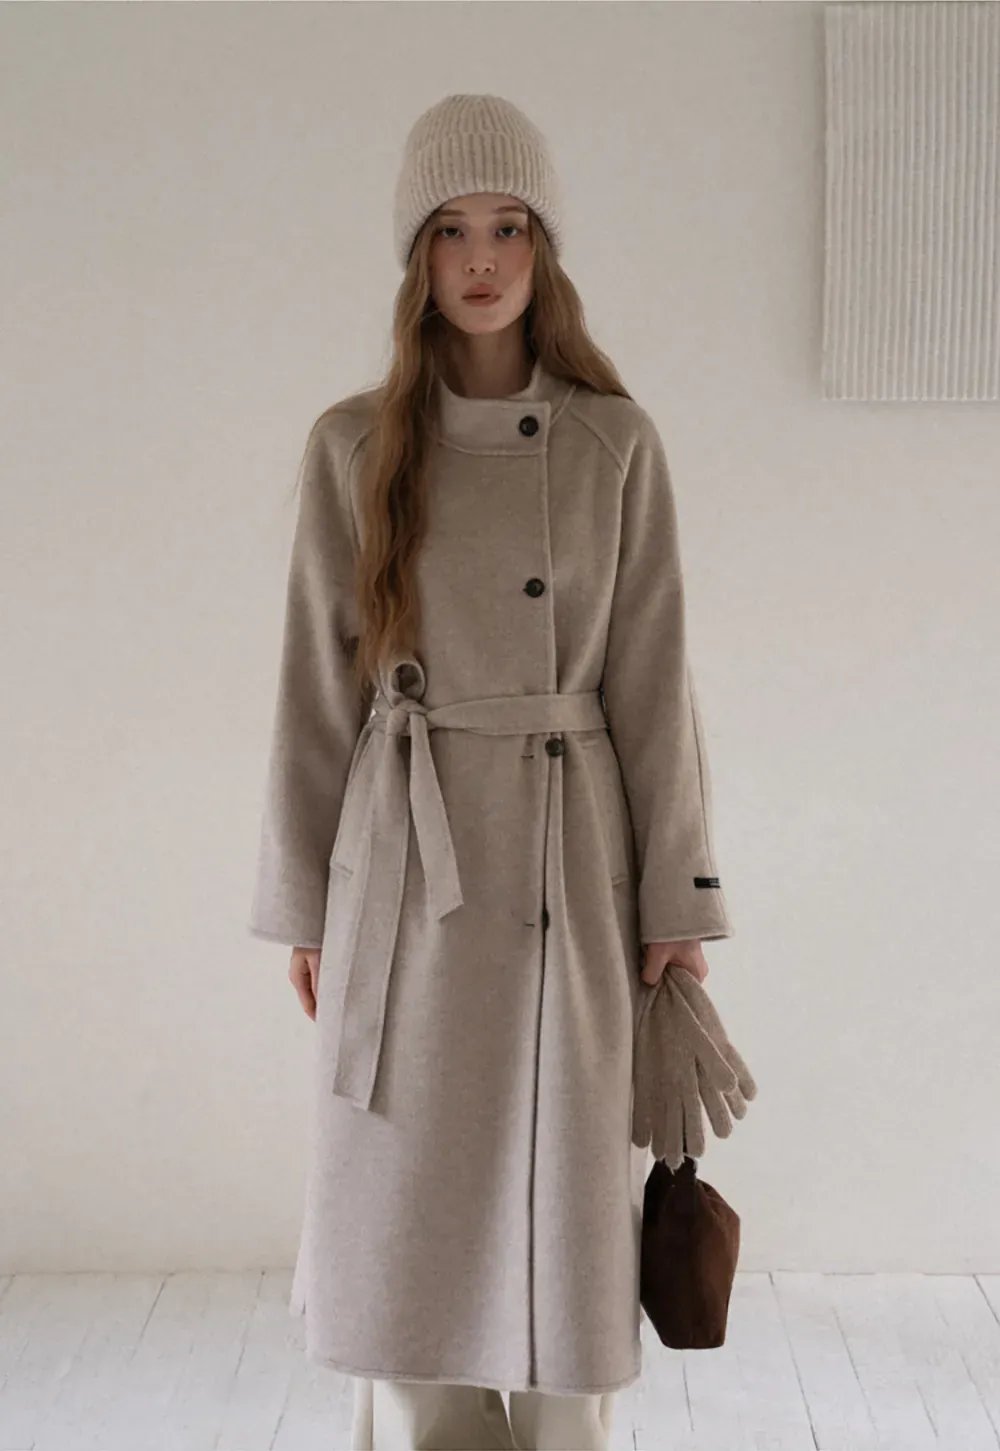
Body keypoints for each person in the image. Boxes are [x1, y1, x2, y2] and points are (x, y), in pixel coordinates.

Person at [248, 93, 734, 1451]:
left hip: (571, 859)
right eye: (452, 229)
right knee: (408, 1180)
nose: (481, 258)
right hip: (405, 866)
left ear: (544, 246)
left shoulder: (612, 441)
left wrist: (677, 898)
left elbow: (655, 681)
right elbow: (315, 691)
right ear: (416, 253)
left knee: (568, 1176)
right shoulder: (353, 445)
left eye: (508, 226)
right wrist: (306, 908)